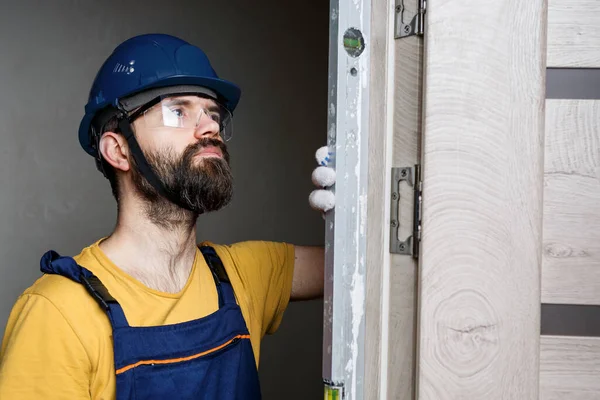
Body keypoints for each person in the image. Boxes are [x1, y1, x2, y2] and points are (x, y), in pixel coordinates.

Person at [0, 33, 334, 399]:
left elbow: (363, 272)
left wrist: (352, 210)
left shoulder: (244, 275)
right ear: (119, 149)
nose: (211, 127)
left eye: (213, 113)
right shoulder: (58, 314)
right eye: (178, 111)